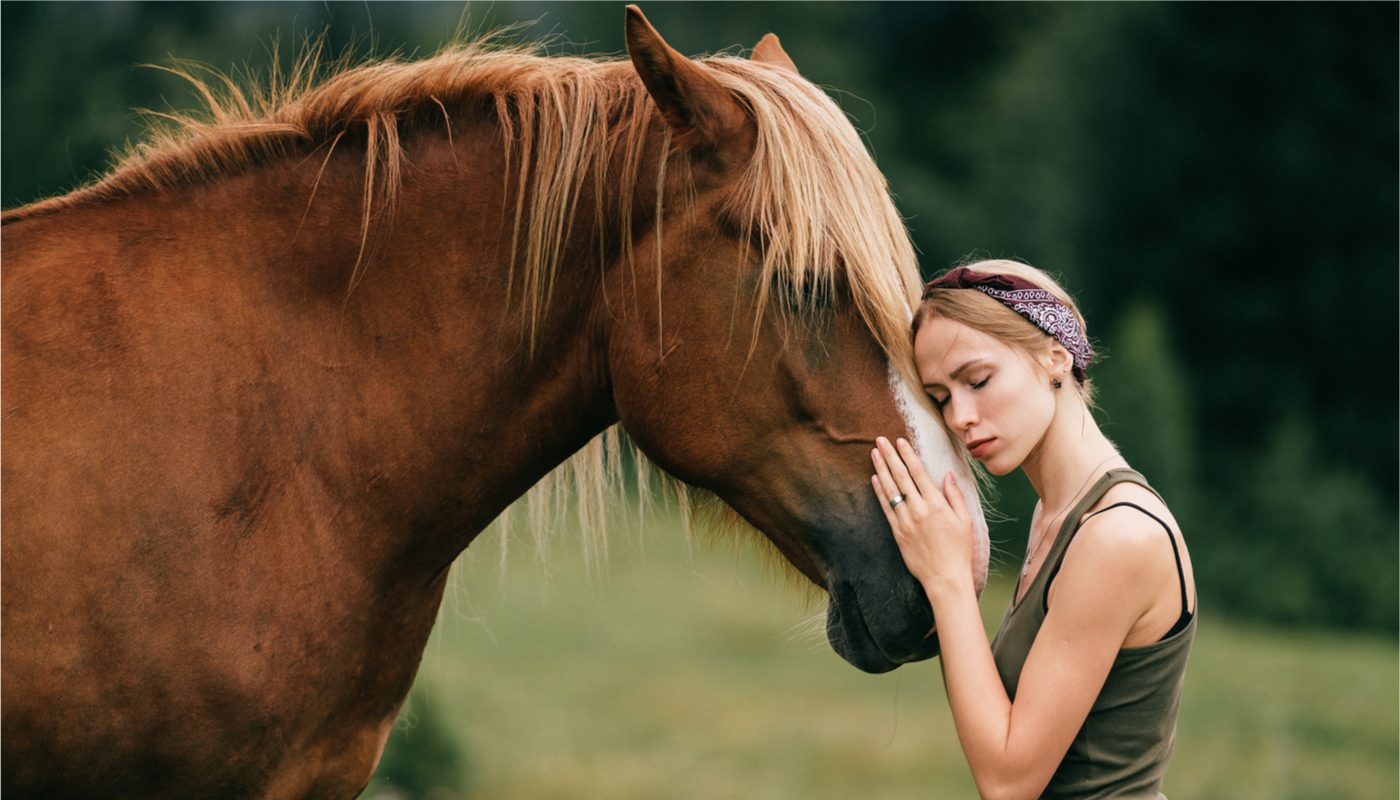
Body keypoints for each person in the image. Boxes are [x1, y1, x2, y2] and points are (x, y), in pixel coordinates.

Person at [869, 259, 1195, 800]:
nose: (959, 417)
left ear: (1055, 355)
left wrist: (948, 580)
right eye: (942, 397)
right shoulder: (1059, 515)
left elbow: (1007, 781)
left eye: (977, 380)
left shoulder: (1115, 536)